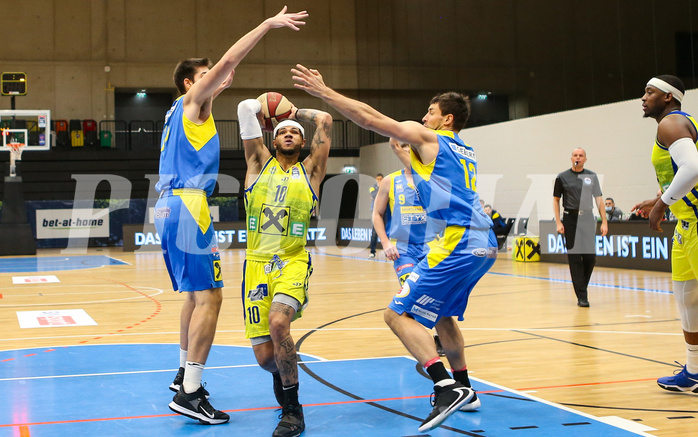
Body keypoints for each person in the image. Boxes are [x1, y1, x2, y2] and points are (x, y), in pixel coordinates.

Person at [292, 65, 496, 433]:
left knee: (396, 315)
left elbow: (369, 118)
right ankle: (465, 386)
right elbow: (430, 179)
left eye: (430, 112)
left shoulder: (434, 139)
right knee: (444, 315)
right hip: (484, 241)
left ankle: (445, 387)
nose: (424, 117)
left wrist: (325, 93)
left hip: (457, 241)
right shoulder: (466, 149)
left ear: (446, 118)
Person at [154, 7, 308, 426]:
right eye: (207, 74)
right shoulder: (193, 102)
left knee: (193, 295)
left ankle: (183, 374)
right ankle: (190, 392)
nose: (220, 75)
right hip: (188, 204)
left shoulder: (174, 114)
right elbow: (229, 61)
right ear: (192, 82)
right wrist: (266, 25)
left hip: (165, 205)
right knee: (212, 297)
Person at [237, 94, 332, 437]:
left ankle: (292, 411)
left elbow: (325, 120)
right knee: (266, 358)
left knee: (280, 324)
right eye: (283, 131)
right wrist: (265, 112)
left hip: (292, 260)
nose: (289, 133)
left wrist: (293, 112)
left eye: (294, 131)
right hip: (256, 266)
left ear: (304, 142)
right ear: (273, 139)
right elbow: (245, 107)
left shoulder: (312, 171)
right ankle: (284, 374)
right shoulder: (257, 165)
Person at [632, 75, 698, 393]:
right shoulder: (672, 124)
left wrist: (662, 204)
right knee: (688, 302)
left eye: (650, 92)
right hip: (685, 227)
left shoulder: (671, 123)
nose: (643, 98)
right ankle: (695, 372)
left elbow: (692, 168)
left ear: (669, 97)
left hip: (697, 224)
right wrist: (657, 198)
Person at [552, 148, 608, 308]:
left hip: (588, 218)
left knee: (590, 257)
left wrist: (604, 221)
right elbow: (556, 200)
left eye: (581, 155)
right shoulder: (562, 177)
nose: (578, 158)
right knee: (575, 258)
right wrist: (558, 222)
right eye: (575, 155)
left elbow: (598, 199)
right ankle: (582, 296)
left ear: (585, 159)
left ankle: (581, 286)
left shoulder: (592, 176)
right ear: (571, 158)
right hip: (570, 218)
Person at [368, 173, 384, 258]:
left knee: (387, 231)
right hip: (375, 212)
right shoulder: (372, 188)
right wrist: (380, 189)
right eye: (378, 179)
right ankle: (372, 251)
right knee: (374, 233)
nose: (379, 180)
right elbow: (374, 195)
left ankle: (387, 250)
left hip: (385, 212)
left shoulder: (386, 186)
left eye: (381, 179)